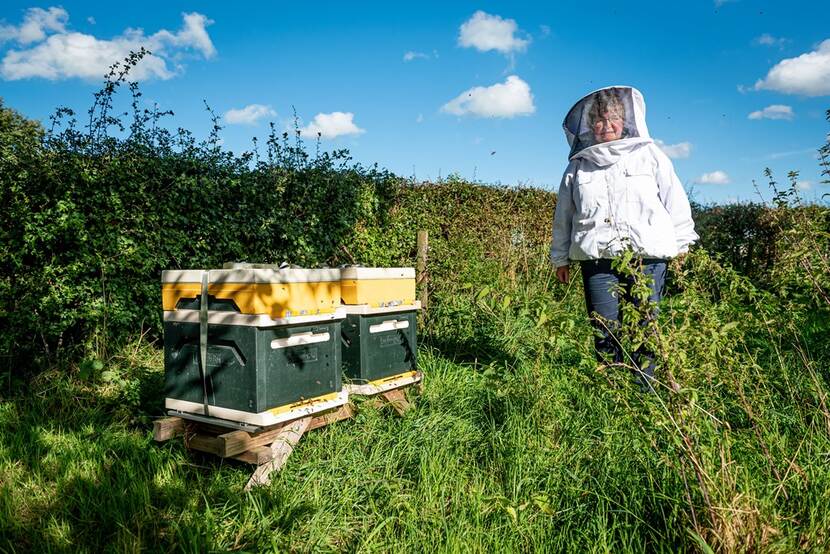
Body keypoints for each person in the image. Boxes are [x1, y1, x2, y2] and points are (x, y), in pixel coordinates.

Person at [550, 86, 698, 388]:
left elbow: (675, 200)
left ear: (626, 120)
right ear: (590, 125)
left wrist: (683, 244)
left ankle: (646, 392)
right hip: (598, 261)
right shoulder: (578, 166)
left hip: (647, 259)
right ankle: (614, 395)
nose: (607, 126)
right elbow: (563, 215)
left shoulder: (649, 155)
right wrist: (560, 258)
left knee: (645, 327)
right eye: (600, 120)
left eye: (613, 118)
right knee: (605, 328)